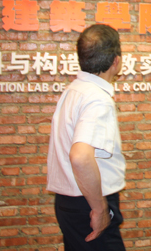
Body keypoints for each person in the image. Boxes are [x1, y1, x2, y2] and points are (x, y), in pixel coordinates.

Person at [47, 24, 126, 251]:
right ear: (116, 61)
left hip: (70, 203)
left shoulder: (74, 90)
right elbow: (80, 157)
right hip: (88, 205)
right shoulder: (97, 98)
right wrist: (100, 209)